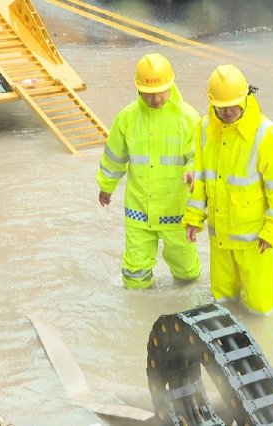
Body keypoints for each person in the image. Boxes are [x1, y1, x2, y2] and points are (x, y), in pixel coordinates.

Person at [183, 64, 273, 315]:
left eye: (234, 105)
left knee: (260, 311)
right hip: (219, 238)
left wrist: (272, 231)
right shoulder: (203, 129)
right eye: (222, 107)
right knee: (223, 305)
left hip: (255, 241)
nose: (229, 111)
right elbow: (200, 179)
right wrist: (193, 219)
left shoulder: (268, 135)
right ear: (212, 103)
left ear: (246, 97)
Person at [96, 53, 201, 289]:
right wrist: (106, 186)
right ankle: (137, 314)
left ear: (172, 85)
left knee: (187, 274)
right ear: (138, 89)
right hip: (139, 211)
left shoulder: (189, 118)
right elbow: (114, 157)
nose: (155, 98)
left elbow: (199, 155)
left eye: (161, 91)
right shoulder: (126, 118)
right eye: (149, 93)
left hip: (176, 211)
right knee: (134, 275)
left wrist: (193, 171)